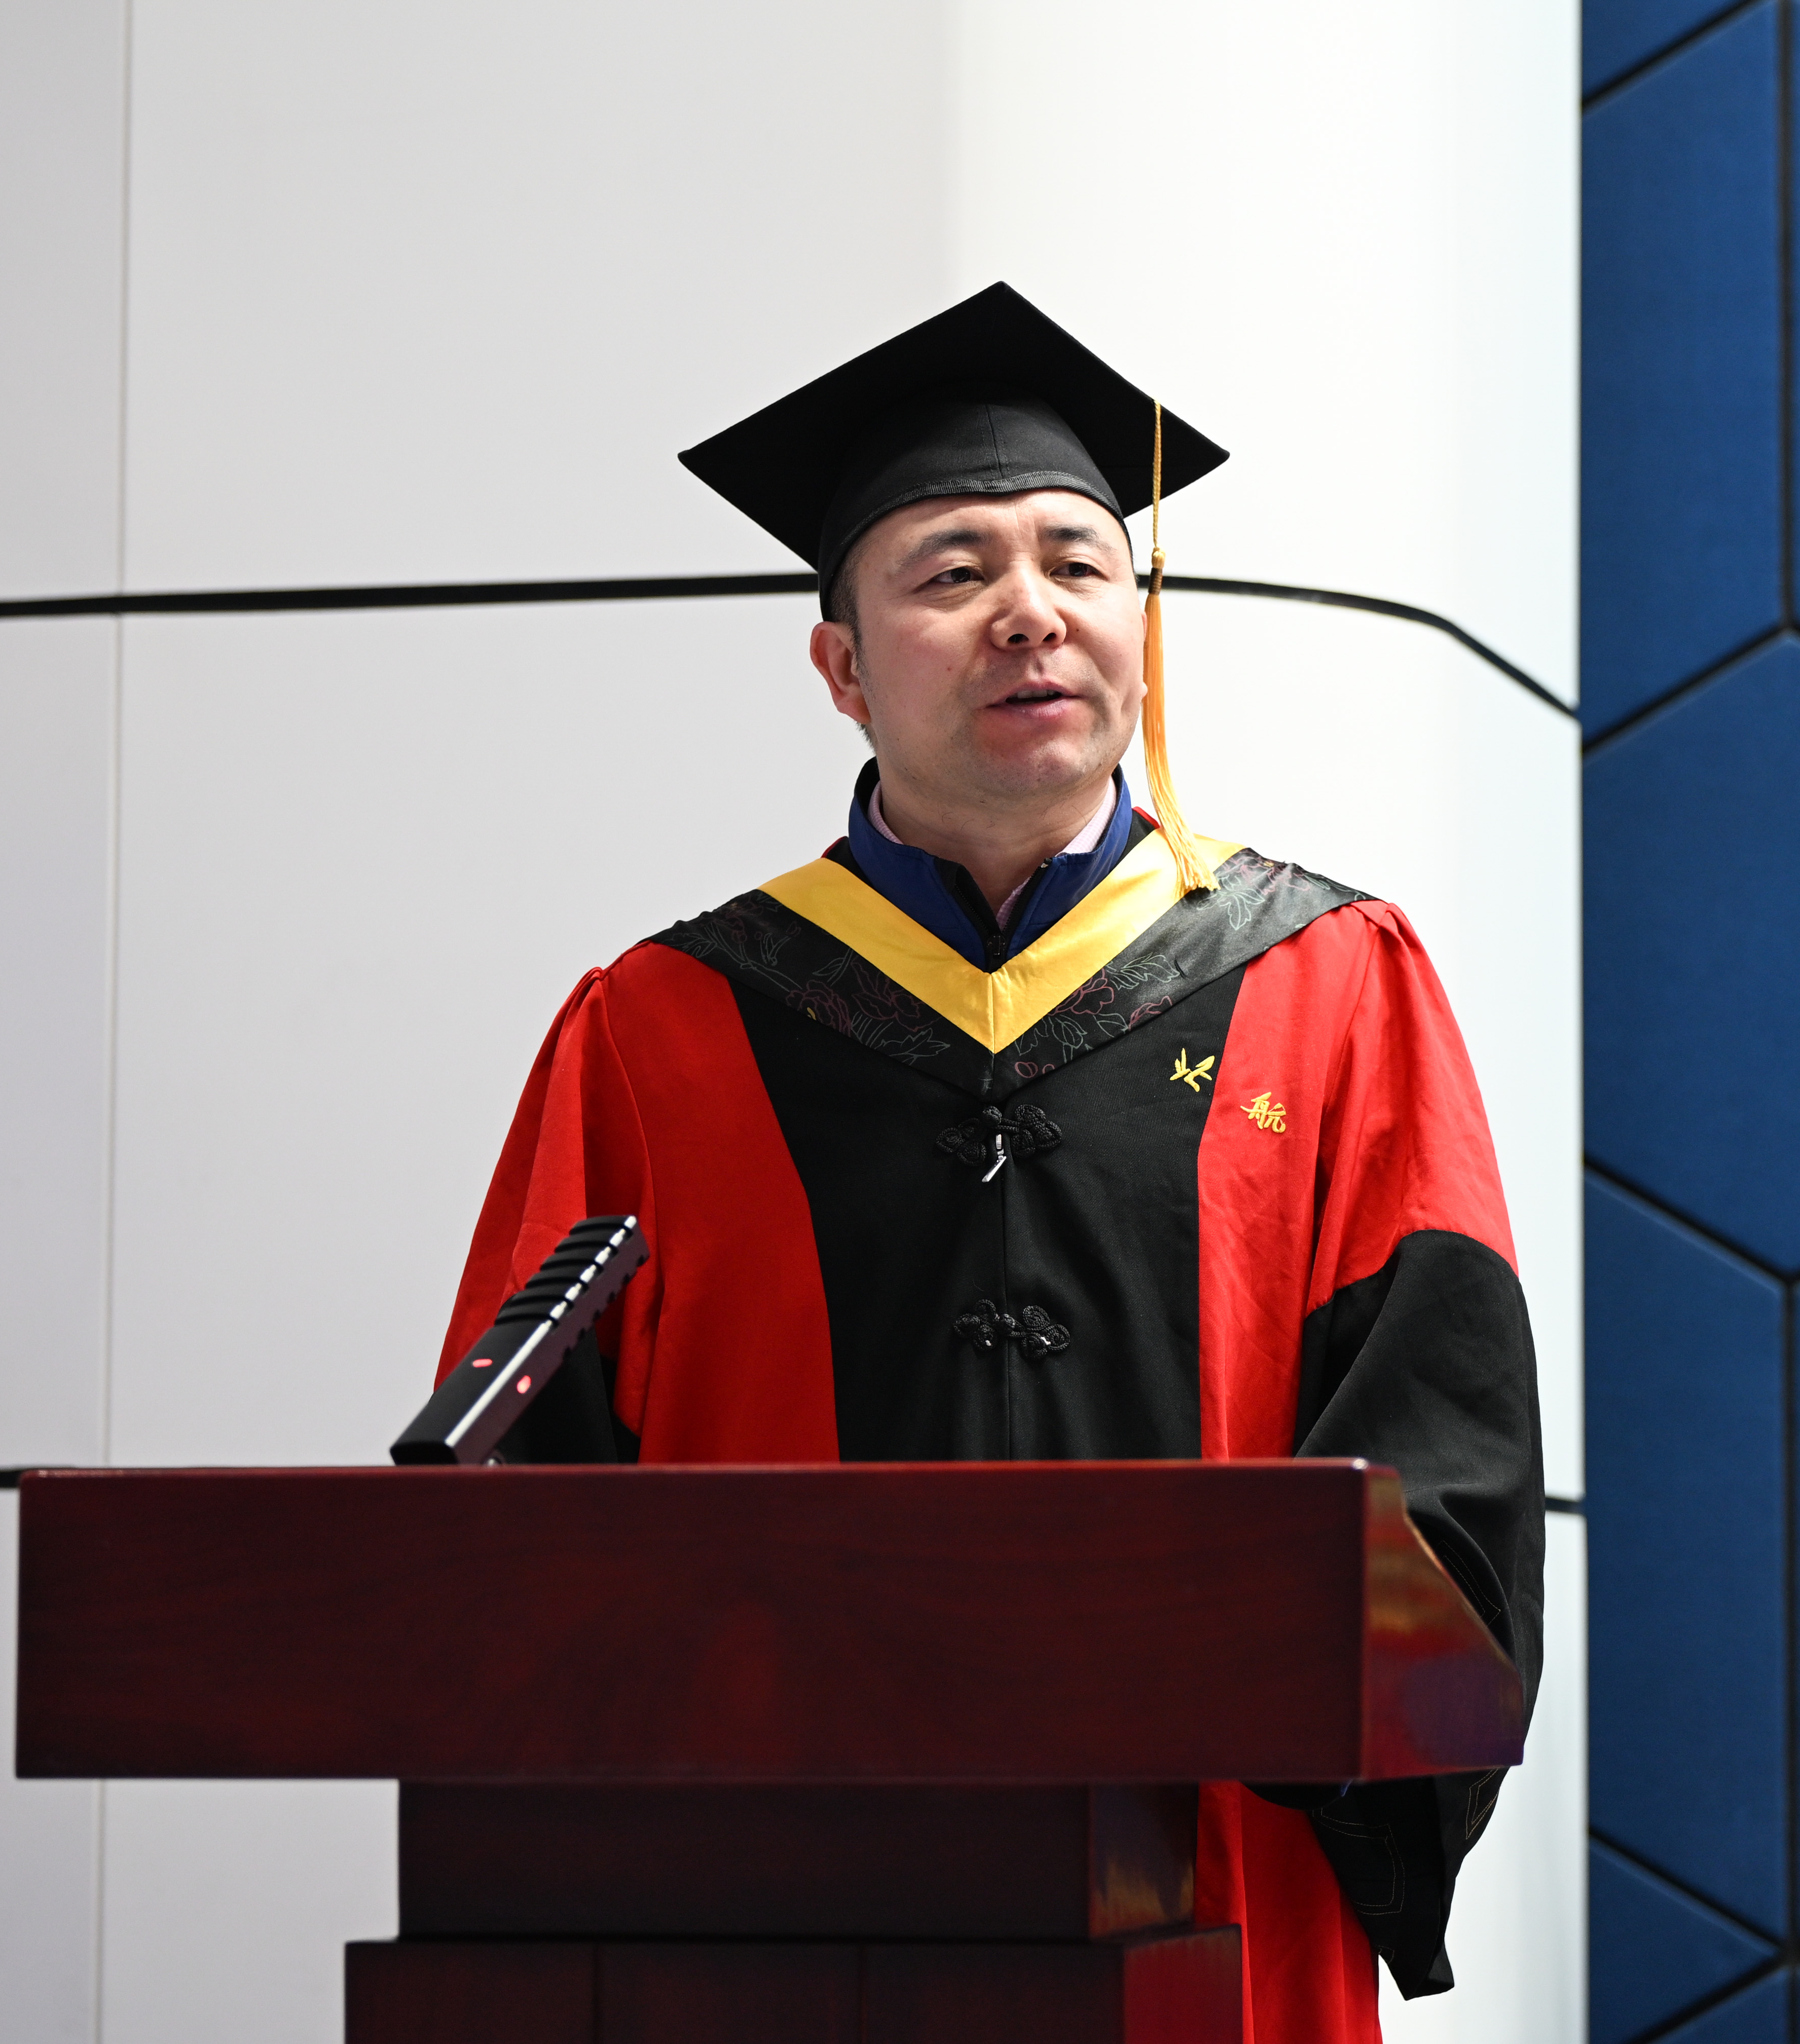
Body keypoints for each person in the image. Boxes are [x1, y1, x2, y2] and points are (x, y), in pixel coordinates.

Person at [439, 282, 1544, 2039]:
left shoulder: (1334, 987)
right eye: (954, 573)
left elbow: (1450, 1471)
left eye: (1078, 563)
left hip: (1213, 1890)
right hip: (778, 1921)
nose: (1030, 611)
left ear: (1138, 629)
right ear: (842, 669)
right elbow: (519, 1533)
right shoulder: (659, 1030)